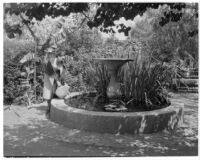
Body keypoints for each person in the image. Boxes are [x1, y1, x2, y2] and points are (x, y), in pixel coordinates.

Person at [43, 45, 64, 114]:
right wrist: (57, 80)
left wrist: (59, 79)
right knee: (48, 93)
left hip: (56, 78)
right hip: (49, 77)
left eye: (53, 53)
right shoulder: (48, 60)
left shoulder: (58, 60)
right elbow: (49, 70)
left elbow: (61, 69)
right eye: (50, 53)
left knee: (56, 93)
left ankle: (55, 109)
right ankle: (49, 108)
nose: (52, 54)